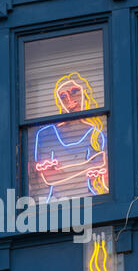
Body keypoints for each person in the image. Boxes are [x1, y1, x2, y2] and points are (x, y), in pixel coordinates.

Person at [33, 72, 108, 202]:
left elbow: (102, 166)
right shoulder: (46, 135)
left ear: (84, 93)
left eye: (74, 92)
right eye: (63, 96)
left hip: (91, 201)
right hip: (56, 204)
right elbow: (49, 179)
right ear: (59, 102)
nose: (70, 100)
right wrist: (88, 166)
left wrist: (63, 170)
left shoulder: (96, 134)